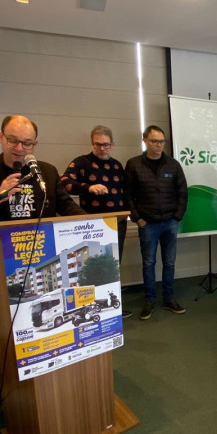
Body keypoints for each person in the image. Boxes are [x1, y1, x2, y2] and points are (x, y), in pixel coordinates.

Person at [0, 115, 84, 224]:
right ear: (1, 137)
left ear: (34, 144)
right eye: (13, 140)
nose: (19, 148)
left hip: (41, 243)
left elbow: (66, 205)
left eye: (27, 143)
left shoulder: (48, 171)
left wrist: (91, 222)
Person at [61, 125, 132, 317]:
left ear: (112, 145)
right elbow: (64, 182)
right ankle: (92, 308)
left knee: (114, 265)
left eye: (106, 144)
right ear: (92, 144)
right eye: (98, 144)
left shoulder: (117, 166)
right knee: (93, 267)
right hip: (93, 226)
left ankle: (113, 308)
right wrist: (88, 187)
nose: (102, 148)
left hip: (117, 223)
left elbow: (126, 192)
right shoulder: (82, 162)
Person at [124, 125, 188, 320]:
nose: (159, 145)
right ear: (145, 140)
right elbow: (127, 195)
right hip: (148, 224)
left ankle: (169, 299)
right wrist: (137, 218)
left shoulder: (173, 165)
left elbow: (182, 192)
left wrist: (177, 216)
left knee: (169, 262)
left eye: (161, 141)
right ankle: (150, 300)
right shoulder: (134, 164)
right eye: (154, 141)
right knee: (149, 262)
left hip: (170, 222)